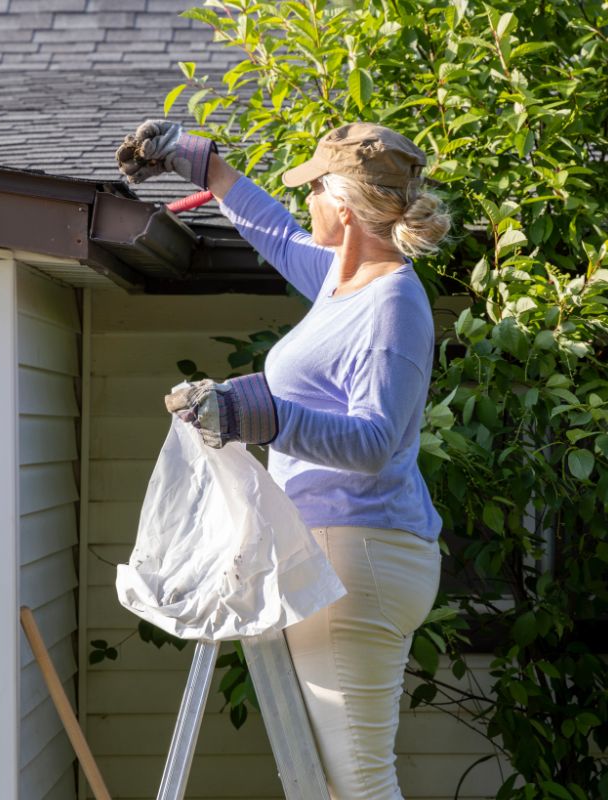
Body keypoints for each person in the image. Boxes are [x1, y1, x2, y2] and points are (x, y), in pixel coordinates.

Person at [116, 119, 451, 800]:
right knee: (335, 783)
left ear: (347, 203)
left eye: (315, 190)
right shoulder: (341, 279)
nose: (307, 203)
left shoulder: (393, 305)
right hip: (342, 549)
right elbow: (275, 230)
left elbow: (375, 441)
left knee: (358, 784)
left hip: (359, 550)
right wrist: (199, 164)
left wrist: (260, 416)